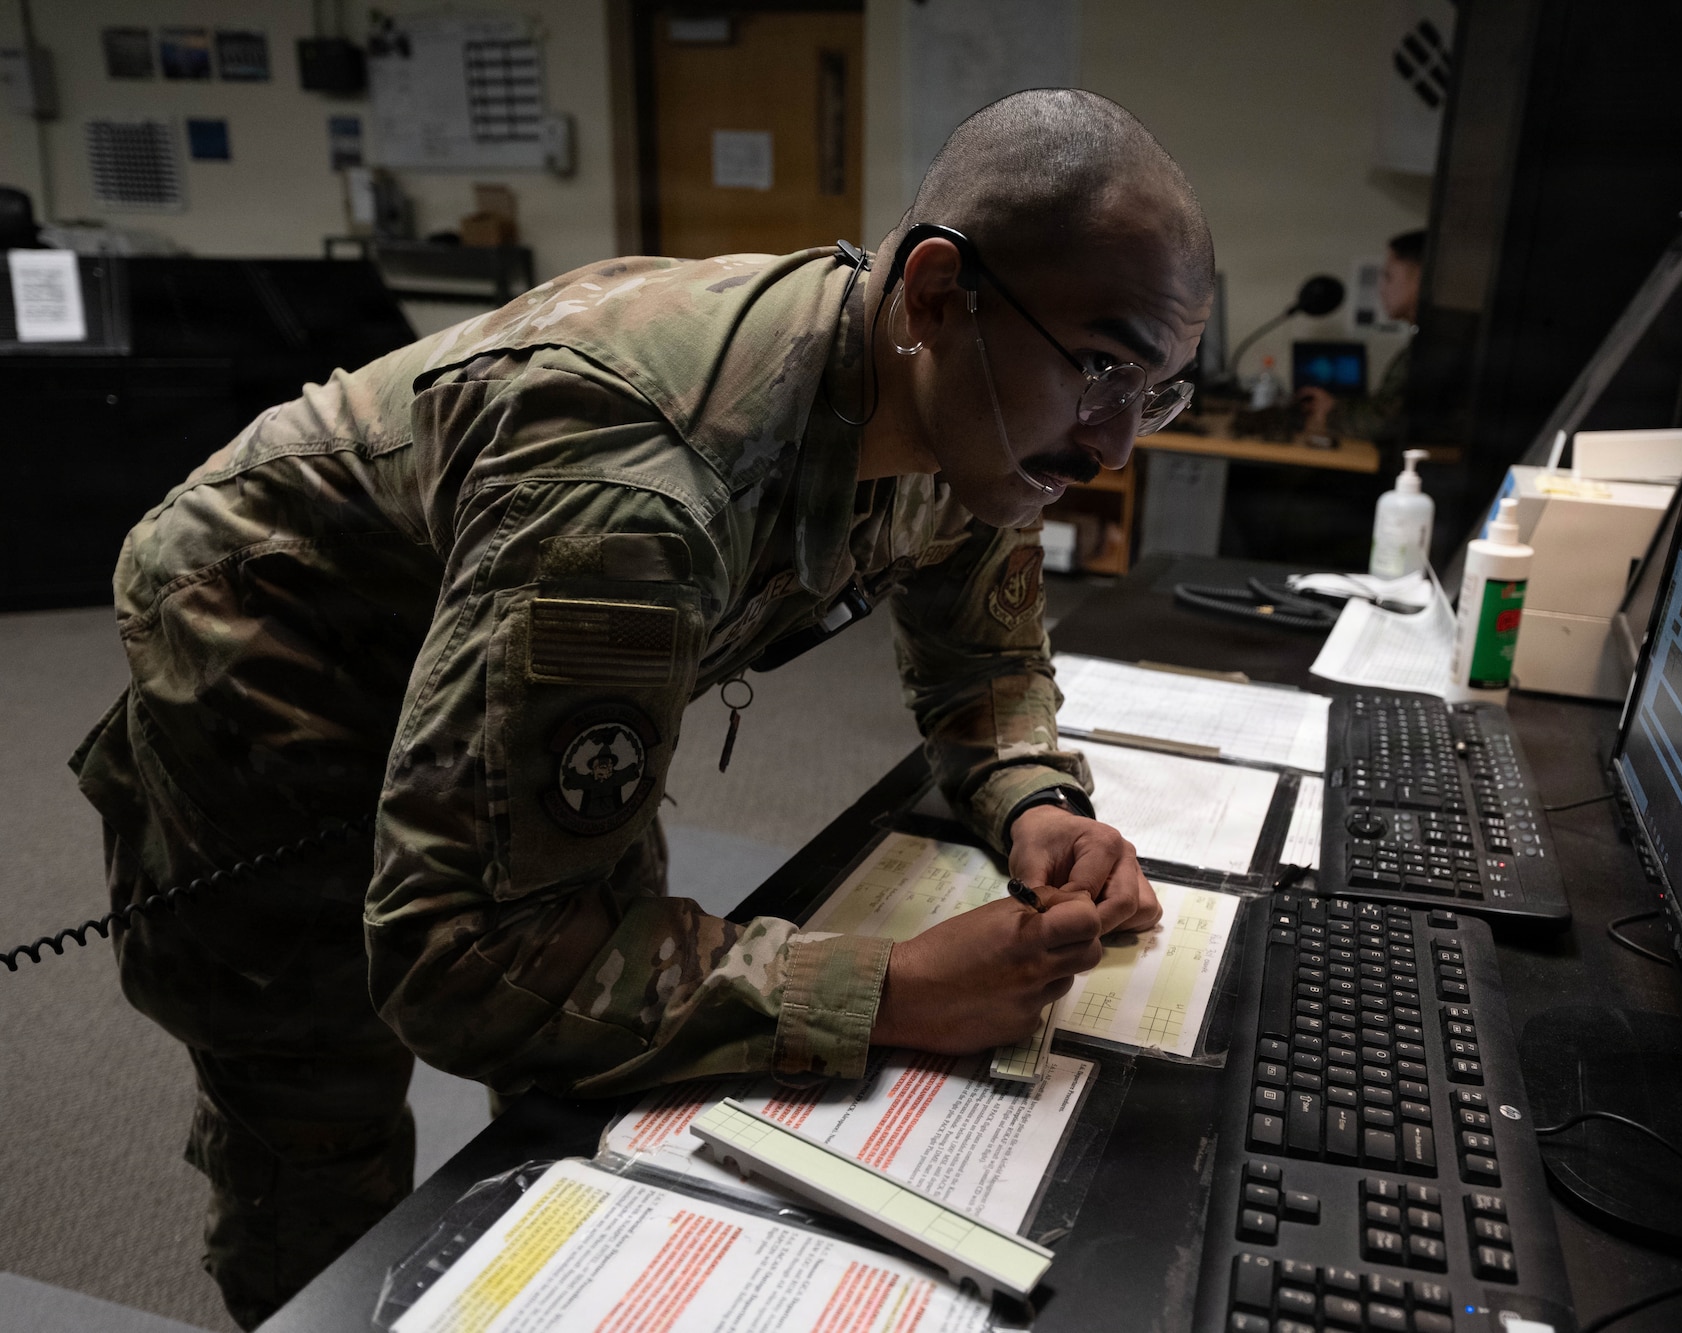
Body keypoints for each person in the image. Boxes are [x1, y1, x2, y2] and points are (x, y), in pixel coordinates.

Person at [68, 89, 1212, 1327]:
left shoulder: (961, 408)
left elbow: (981, 655)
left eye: (1153, 392)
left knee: (605, 1018)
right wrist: (888, 990)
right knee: (317, 1107)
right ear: (938, 295)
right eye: (1100, 367)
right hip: (278, 652)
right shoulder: (634, 489)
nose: (1112, 445)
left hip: (510, 609)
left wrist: (1030, 793)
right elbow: (462, 955)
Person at [1299, 228, 1423, 445]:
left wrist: (1333, 413)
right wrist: (1334, 407)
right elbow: (1386, 409)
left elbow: (1384, 424)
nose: (1381, 289)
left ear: (1421, 279)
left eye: (1388, 276)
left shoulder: (1436, 349)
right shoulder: (1427, 340)